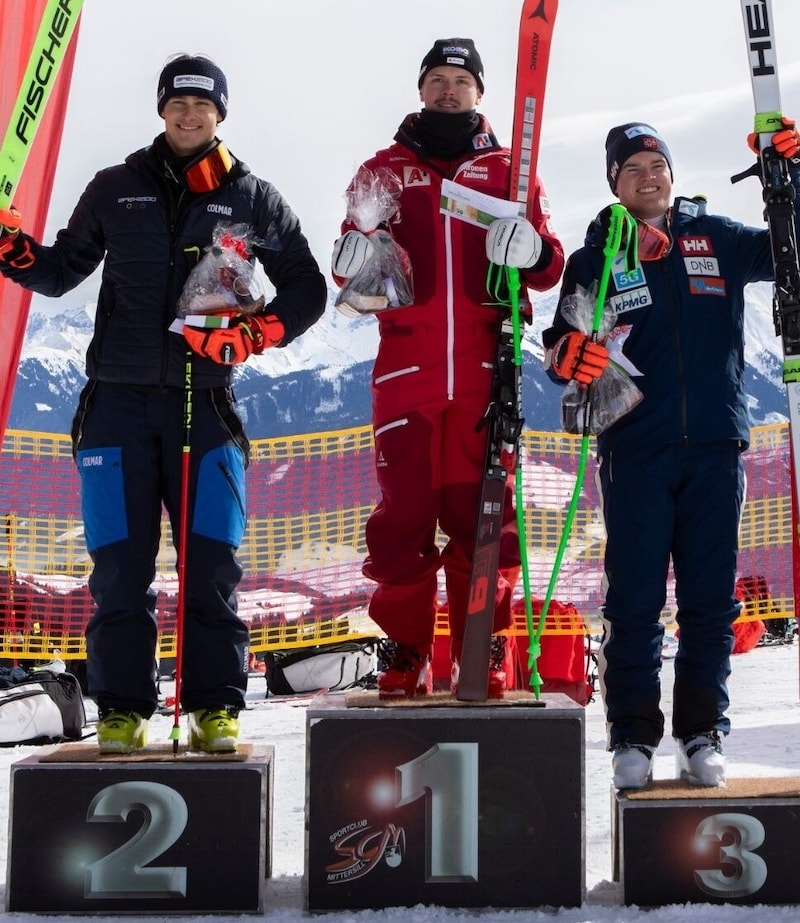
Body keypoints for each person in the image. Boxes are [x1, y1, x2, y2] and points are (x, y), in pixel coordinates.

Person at [0, 54, 326, 753]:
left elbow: (307, 286)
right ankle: (121, 710)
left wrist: (257, 332)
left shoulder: (252, 197)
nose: (188, 115)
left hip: (206, 403)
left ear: (220, 114)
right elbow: (60, 271)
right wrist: (12, 250)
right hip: (115, 404)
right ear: (161, 109)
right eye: (177, 104)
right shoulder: (116, 187)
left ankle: (216, 707)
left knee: (211, 567)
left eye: (202, 106)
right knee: (120, 569)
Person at [542, 119, 800, 788]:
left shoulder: (714, 238)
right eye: (633, 168)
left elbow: (789, 251)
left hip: (715, 447)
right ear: (615, 185)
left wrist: (790, 177)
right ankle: (632, 735)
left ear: (673, 174)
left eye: (657, 163)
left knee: (712, 605)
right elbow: (558, 349)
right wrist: (569, 354)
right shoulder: (597, 257)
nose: (648, 175)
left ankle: (701, 733)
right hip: (635, 453)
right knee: (633, 604)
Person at [332, 37, 564, 700]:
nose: (447, 90)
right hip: (407, 373)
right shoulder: (382, 170)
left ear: (480, 94)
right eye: (436, 78)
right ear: (421, 88)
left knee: (485, 518)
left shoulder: (512, 171)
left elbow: (549, 270)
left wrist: (532, 250)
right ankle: (406, 650)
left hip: (488, 374)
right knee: (401, 520)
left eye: (460, 80)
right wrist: (350, 256)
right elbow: (352, 273)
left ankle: (479, 646)